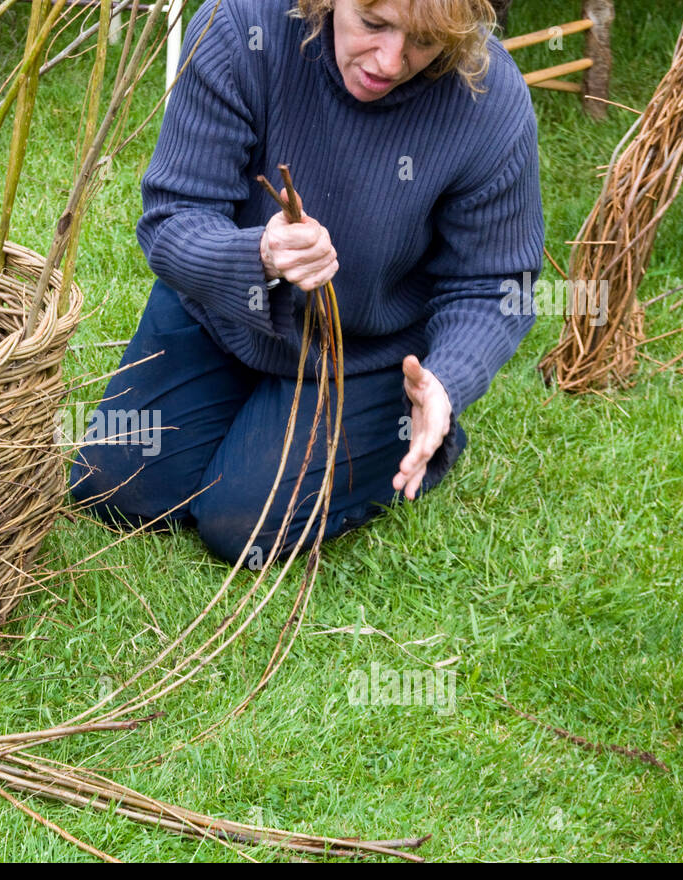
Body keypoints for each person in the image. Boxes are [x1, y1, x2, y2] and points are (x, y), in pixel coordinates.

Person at [70, 0, 544, 566]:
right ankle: (249, 409)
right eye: (373, 24)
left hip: (363, 352)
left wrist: (448, 380)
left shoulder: (489, 96)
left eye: (424, 40)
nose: (390, 61)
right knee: (113, 487)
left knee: (240, 524)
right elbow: (174, 216)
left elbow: (493, 281)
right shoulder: (239, 27)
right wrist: (259, 254)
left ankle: (408, 427)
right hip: (222, 314)